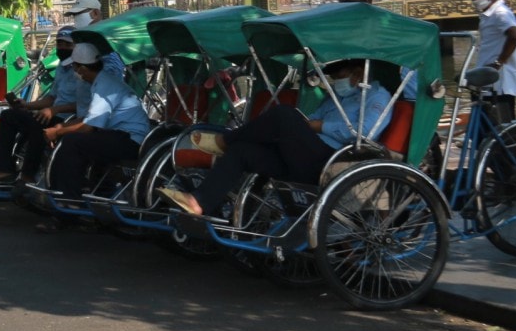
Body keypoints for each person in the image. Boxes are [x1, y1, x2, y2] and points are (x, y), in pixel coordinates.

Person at [160, 59, 391, 218]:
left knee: (284, 114)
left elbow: (365, 132)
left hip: (333, 159)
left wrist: (320, 126)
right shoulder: (335, 98)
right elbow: (311, 120)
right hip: (305, 154)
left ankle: (223, 141)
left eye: (339, 75)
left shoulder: (378, 97)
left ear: (359, 73)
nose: (335, 81)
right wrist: (309, 126)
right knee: (243, 150)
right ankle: (199, 201)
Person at [44, 42, 152, 206]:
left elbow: (88, 126)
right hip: (115, 133)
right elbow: (90, 118)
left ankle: (70, 199)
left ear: (83, 69)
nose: (75, 72)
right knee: (74, 138)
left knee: (72, 142)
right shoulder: (99, 82)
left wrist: (58, 133)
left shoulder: (104, 85)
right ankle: (89, 192)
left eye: (75, 67)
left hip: (130, 139)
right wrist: (60, 127)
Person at [0, 27, 84, 183]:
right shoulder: (62, 67)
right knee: (8, 115)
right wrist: (27, 105)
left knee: (37, 127)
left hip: (68, 118)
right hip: (50, 113)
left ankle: (28, 175)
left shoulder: (82, 71)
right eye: (60, 44)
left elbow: (84, 105)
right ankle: (4, 170)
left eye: (68, 45)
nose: (63, 48)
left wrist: (54, 110)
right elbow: (52, 97)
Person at [467, 0, 516, 124]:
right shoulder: (489, 14)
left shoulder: (500, 12)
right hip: (487, 81)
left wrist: (498, 62)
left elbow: (515, 35)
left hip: (499, 82)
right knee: (487, 130)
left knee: (501, 132)